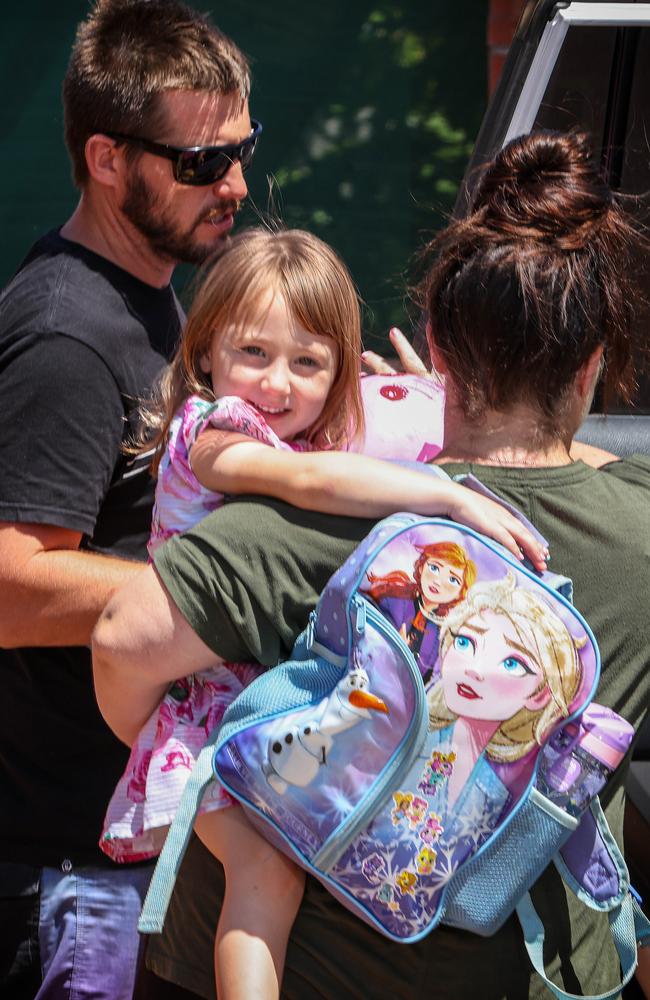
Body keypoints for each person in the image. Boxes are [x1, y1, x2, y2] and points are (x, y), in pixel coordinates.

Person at [92, 129, 650, 1000]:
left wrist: (163, 742)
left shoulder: (305, 515)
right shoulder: (642, 531)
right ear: (591, 368)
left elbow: (126, 641)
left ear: (437, 347)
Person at [0, 1, 256, 996]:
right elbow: (14, 586)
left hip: (119, 853)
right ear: (107, 159)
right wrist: (218, 589)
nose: (231, 184)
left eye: (241, 150)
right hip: (66, 874)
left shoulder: (142, 292)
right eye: (200, 162)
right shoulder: (69, 336)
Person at [364, 540, 477, 683]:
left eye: (453, 579)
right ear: (422, 567)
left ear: (460, 593)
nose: (438, 581)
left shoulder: (444, 632)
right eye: (435, 568)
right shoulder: (392, 600)